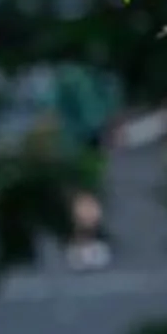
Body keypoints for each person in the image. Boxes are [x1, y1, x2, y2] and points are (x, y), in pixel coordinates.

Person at [47, 62, 121, 271]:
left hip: (68, 145)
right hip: (84, 145)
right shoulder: (86, 77)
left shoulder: (64, 76)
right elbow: (95, 116)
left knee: (78, 194)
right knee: (86, 194)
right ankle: (85, 241)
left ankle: (81, 240)